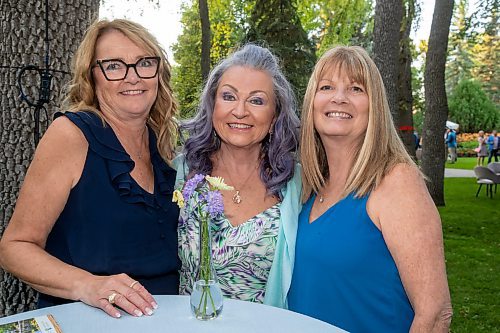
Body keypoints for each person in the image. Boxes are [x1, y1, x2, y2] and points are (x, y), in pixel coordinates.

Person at [0, 19, 180, 318]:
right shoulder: (71, 135)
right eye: (114, 66)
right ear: (92, 76)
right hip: (87, 319)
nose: (132, 77)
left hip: (167, 320)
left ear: (158, 72)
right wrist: (88, 285)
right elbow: (15, 247)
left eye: (144, 63)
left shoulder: (163, 145)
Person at [287, 46, 452, 332]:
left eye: (355, 89)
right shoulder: (308, 188)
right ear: (312, 101)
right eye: (326, 87)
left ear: (374, 105)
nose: (339, 98)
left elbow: (435, 314)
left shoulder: (396, 181)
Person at [175, 44, 301, 308]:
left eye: (257, 100)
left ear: (274, 115)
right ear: (213, 104)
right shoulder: (181, 175)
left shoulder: (297, 186)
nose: (241, 111)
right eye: (229, 96)